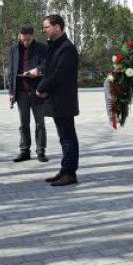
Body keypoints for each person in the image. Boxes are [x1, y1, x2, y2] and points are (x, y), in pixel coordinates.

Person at [34, 14, 80, 186]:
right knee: (63, 137)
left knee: (68, 137)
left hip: (64, 100)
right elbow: (48, 69)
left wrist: (41, 87)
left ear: (58, 27)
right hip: (56, 99)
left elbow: (59, 74)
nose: (44, 30)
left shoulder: (67, 48)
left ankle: (70, 173)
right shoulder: (55, 46)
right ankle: (65, 169)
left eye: (46, 27)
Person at [7, 27, 49, 163]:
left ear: (33, 36)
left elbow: (47, 65)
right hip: (21, 91)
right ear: (19, 36)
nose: (25, 42)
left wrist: (36, 71)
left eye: (28, 39)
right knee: (23, 123)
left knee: (40, 123)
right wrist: (11, 92)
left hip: (37, 90)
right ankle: (24, 151)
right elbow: (12, 71)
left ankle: (41, 151)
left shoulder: (42, 48)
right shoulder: (14, 48)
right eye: (23, 39)